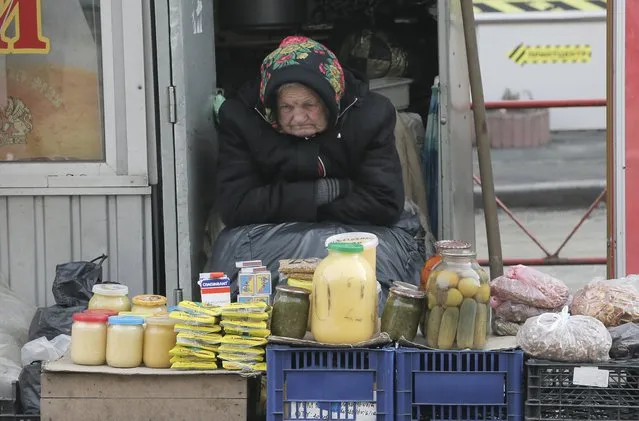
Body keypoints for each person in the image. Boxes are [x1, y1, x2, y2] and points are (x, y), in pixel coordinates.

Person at [216, 36, 405, 228]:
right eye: (286, 107)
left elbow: (384, 204)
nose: (298, 118)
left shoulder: (369, 117)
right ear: (272, 106)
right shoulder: (242, 119)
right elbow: (236, 207)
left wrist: (286, 205)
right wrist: (327, 191)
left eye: (309, 105)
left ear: (330, 102)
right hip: (267, 241)